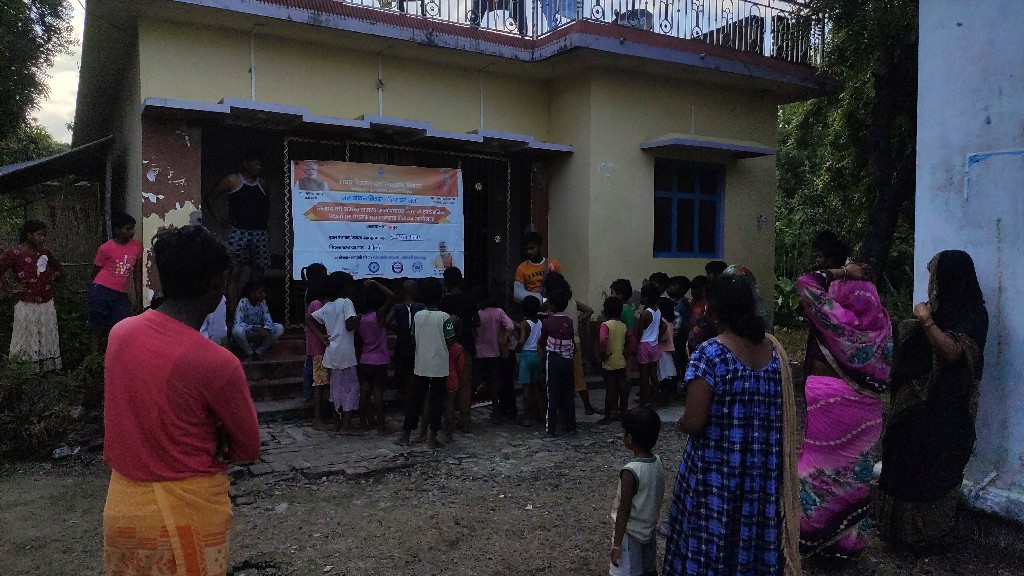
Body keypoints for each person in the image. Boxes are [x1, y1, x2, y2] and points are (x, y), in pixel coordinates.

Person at [102, 225, 260, 574]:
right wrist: (215, 434)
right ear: (217, 285)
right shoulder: (218, 363)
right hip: (191, 514)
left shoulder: (120, 334)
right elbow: (248, 447)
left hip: (124, 510)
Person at [663, 275, 802, 576]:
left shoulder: (710, 354)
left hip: (715, 473)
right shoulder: (775, 353)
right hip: (760, 474)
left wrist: (680, 424)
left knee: (708, 542)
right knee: (749, 543)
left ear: (713, 313)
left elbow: (695, 421)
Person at [877, 250, 988, 551]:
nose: (932, 284)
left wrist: (926, 323)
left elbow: (953, 353)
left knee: (933, 468)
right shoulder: (938, 310)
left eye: (936, 277)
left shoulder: (974, 315)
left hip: (946, 408)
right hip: (913, 407)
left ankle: (928, 536)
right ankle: (895, 531)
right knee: (903, 460)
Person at [795, 232, 892, 559]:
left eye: (822, 257)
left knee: (819, 472)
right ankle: (847, 544)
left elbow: (806, 282)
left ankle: (816, 538)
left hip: (828, 402)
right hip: (866, 409)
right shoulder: (880, 325)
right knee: (853, 475)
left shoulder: (832, 311)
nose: (818, 262)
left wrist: (842, 272)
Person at [204, 150, 270, 329]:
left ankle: (256, 316)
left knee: (258, 274)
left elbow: (266, 207)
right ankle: (232, 317)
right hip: (238, 230)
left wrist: (265, 228)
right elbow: (209, 196)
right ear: (246, 164)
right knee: (234, 272)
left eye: (260, 164)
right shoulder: (233, 180)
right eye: (254, 163)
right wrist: (219, 218)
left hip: (259, 232)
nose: (257, 167)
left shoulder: (263, 183)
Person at [395, 278, 454, 449]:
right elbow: (450, 341)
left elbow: (414, 338)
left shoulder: (418, 316)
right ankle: (432, 437)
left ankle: (406, 435)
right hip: (439, 366)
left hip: (421, 364)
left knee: (415, 400)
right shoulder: (445, 317)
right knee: (436, 402)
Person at [610, 407, 666, 576]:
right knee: (649, 569)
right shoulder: (658, 462)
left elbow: (624, 509)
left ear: (629, 438)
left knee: (629, 570)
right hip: (649, 528)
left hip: (630, 533)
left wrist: (617, 544)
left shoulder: (630, 471)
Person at [0, 220, 62, 371]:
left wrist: (52, 277)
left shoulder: (44, 252)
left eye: (44, 235)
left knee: (45, 333)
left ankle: (46, 369)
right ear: (28, 235)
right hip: (26, 301)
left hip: (46, 300)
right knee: (26, 334)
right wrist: (9, 288)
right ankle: (23, 370)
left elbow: (57, 268)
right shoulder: (15, 253)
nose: (42, 238)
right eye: (39, 235)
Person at [308, 272, 360, 434]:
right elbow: (349, 325)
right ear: (344, 287)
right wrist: (358, 318)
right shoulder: (346, 302)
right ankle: (346, 426)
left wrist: (320, 335)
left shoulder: (327, 306)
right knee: (350, 388)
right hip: (346, 354)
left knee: (335, 390)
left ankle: (337, 422)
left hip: (332, 354)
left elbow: (308, 319)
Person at [545, 271, 600, 415]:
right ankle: (587, 406)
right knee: (578, 376)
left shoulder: (553, 304)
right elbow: (589, 310)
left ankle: (561, 409)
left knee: (558, 377)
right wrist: (577, 321)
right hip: (574, 342)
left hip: (557, 344)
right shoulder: (572, 301)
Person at [88, 212, 143, 353]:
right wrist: (96, 289)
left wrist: (138, 297)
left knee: (122, 323)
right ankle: (94, 356)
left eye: (132, 229)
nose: (132, 232)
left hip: (120, 293)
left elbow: (137, 273)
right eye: (128, 229)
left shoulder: (137, 247)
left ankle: (117, 353)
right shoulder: (106, 248)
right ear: (117, 230)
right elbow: (95, 271)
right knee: (96, 323)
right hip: (102, 289)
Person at [440, 267, 479, 424]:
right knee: (465, 383)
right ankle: (465, 419)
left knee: (448, 384)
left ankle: (448, 418)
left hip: (448, 347)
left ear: (446, 283)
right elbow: (477, 321)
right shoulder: (470, 300)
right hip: (466, 346)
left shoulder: (443, 303)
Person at [474, 288, 518, 424]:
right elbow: (510, 326)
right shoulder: (499, 311)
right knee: (494, 384)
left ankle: (465, 415)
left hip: (479, 352)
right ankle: (496, 413)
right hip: (494, 352)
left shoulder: (478, 313)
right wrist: (505, 340)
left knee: (474, 383)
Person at [358, 279, 396, 435]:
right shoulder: (378, 317)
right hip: (378, 360)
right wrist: (376, 284)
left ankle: (362, 423)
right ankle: (381, 426)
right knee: (378, 393)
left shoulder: (360, 318)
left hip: (364, 359)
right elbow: (392, 296)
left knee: (365, 391)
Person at [539, 288, 576, 437]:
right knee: (568, 394)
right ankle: (571, 426)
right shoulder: (569, 321)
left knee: (552, 394)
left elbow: (542, 340)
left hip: (554, 359)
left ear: (552, 305)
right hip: (568, 360)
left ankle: (551, 429)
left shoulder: (548, 322)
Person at [386, 279, 425, 415]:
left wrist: (397, 330)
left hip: (402, 343)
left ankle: (405, 401)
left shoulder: (397, 307)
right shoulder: (421, 307)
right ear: (415, 291)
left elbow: (387, 321)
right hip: (416, 344)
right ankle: (415, 402)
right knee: (416, 373)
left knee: (403, 373)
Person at [598, 296, 636, 424]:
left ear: (605, 311)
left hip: (609, 361)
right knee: (622, 387)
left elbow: (602, 340)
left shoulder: (605, 325)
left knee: (610, 389)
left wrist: (603, 353)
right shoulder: (623, 326)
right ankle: (623, 412)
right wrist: (627, 353)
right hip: (621, 361)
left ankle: (608, 416)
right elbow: (632, 342)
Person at [231, 280, 285, 359]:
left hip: (260, 333)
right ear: (252, 294)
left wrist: (265, 329)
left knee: (279, 328)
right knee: (237, 330)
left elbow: (268, 319)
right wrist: (255, 328)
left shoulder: (262, 302)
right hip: (247, 332)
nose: (263, 295)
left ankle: (259, 351)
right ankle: (249, 352)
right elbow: (238, 322)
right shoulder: (243, 302)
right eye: (260, 293)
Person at [304, 275, 331, 429]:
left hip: (320, 347)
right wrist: (321, 335)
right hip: (318, 348)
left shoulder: (317, 303)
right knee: (319, 382)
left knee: (321, 381)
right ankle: (317, 418)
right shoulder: (317, 304)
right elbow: (313, 321)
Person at [301, 263, 329, 403]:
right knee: (314, 370)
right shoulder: (317, 303)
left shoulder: (310, 293)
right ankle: (310, 395)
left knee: (309, 366)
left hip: (312, 338)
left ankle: (308, 394)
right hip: (317, 340)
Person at [517, 295, 545, 427]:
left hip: (526, 356)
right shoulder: (540, 322)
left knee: (526, 389)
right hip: (537, 355)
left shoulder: (524, 324)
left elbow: (522, 340)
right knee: (537, 387)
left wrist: (517, 348)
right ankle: (542, 413)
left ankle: (526, 417)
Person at [634, 283, 663, 407]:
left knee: (644, 376)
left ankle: (642, 402)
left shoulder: (645, 313)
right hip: (655, 345)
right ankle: (654, 400)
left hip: (644, 345)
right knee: (653, 374)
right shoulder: (658, 311)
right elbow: (662, 326)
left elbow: (639, 331)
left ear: (646, 298)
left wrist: (635, 345)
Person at [513, 231, 561, 303]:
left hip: (551, 305)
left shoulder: (554, 264)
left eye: (532, 248)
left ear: (540, 247)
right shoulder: (521, 268)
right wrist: (539, 299)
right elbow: (517, 294)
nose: (529, 252)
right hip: (532, 306)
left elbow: (560, 286)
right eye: (527, 249)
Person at [445, 336, 469, 443]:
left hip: (438, 376)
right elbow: (460, 367)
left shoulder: (439, 345)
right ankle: (449, 434)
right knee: (450, 405)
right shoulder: (457, 348)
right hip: (452, 378)